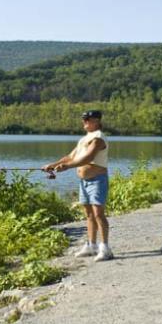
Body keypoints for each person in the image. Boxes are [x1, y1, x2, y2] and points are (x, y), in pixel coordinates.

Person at [43, 110, 114, 261]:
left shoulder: (99, 138)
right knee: (89, 214)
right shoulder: (84, 139)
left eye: (87, 119)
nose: (85, 122)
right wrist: (53, 164)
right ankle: (91, 245)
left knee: (98, 214)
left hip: (97, 180)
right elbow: (70, 157)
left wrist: (67, 167)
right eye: (84, 119)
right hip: (84, 181)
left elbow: (88, 157)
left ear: (96, 121)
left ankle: (105, 248)